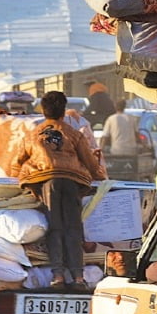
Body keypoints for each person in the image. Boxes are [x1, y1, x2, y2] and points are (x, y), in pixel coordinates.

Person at [11, 91, 107, 291]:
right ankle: (79, 278)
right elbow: (91, 165)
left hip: (47, 183)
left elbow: (16, 164)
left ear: (43, 111)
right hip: (72, 183)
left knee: (55, 227)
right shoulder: (74, 134)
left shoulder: (32, 135)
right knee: (73, 228)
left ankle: (58, 276)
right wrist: (102, 179)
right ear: (64, 111)